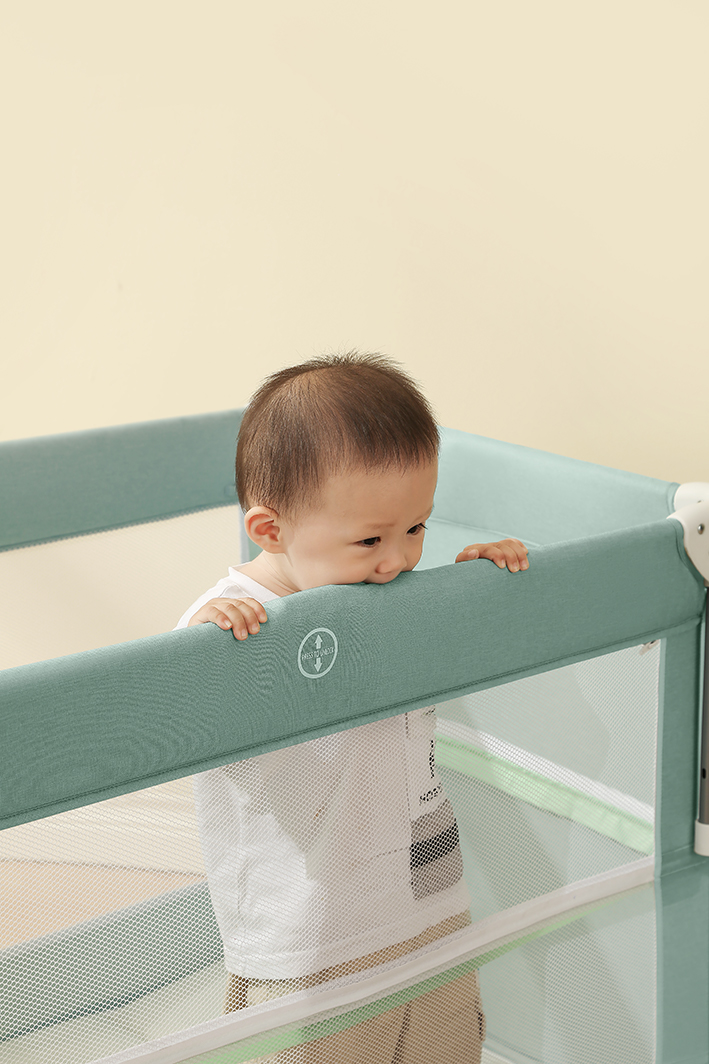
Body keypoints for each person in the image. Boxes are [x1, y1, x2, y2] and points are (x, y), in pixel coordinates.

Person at [175, 352, 529, 1064]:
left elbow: (456, 660)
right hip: (314, 936)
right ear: (269, 530)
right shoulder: (235, 624)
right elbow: (189, 721)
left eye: (417, 528)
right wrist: (204, 648)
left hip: (428, 902)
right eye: (370, 539)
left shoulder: (389, 597)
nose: (398, 560)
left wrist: (477, 588)